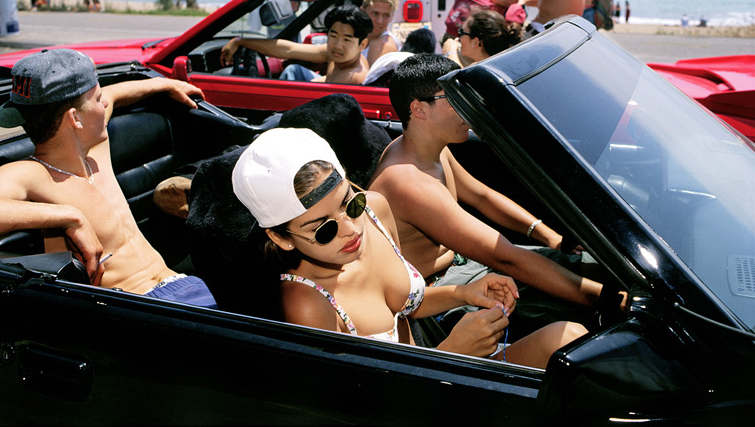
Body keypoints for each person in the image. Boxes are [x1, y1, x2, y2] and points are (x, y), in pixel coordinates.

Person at [231, 127, 587, 368]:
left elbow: (402, 306)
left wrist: (464, 292)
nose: (350, 228)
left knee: (570, 339)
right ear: (282, 237)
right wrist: (450, 353)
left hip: (437, 370)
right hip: (418, 397)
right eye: (323, 230)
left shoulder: (375, 209)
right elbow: (357, 404)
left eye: (349, 203)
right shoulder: (307, 304)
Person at [368, 54, 616, 337]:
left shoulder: (429, 149)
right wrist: (607, 301)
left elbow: (482, 197)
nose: (468, 106)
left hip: (466, 267)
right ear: (419, 109)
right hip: (439, 298)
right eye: (453, 97)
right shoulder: (406, 181)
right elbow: (506, 259)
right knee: (581, 308)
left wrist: (550, 237)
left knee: (595, 267)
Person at [0, 49, 217, 309]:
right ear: (75, 119)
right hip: (141, 308)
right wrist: (68, 216)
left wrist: (164, 84)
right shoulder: (32, 174)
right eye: (98, 99)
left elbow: (115, 94)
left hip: (184, 285)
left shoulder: (94, 148)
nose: (105, 104)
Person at [221, 5, 373, 84]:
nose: (338, 45)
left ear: (362, 44)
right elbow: (289, 49)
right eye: (333, 35)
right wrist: (241, 41)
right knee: (293, 70)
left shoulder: (354, 78)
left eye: (347, 39)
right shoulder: (337, 55)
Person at [441, 9, 522, 68]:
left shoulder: (484, 73)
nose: (458, 38)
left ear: (475, 42)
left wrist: (450, 53)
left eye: (462, 32)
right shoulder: (499, 66)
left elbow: (461, 85)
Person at [361, 0, 402, 67]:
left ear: (392, 17)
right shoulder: (358, 37)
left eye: (386, 15)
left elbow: (367, 79)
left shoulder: (382, 44)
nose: (380, 21)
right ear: (362, 12)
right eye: (375, 14)